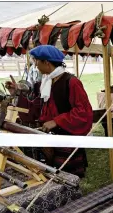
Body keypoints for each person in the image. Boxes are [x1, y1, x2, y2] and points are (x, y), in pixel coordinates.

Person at [6, 45, 93, 178]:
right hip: (50, 139)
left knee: (70, 178)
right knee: (54, 176)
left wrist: (56, 121)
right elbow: (35, 109)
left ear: (46, 62)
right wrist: (17, 93)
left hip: (67, 137)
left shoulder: (71, 82)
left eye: (36, 61)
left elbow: (84, 112)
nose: (35, 66)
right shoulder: (44, 83)